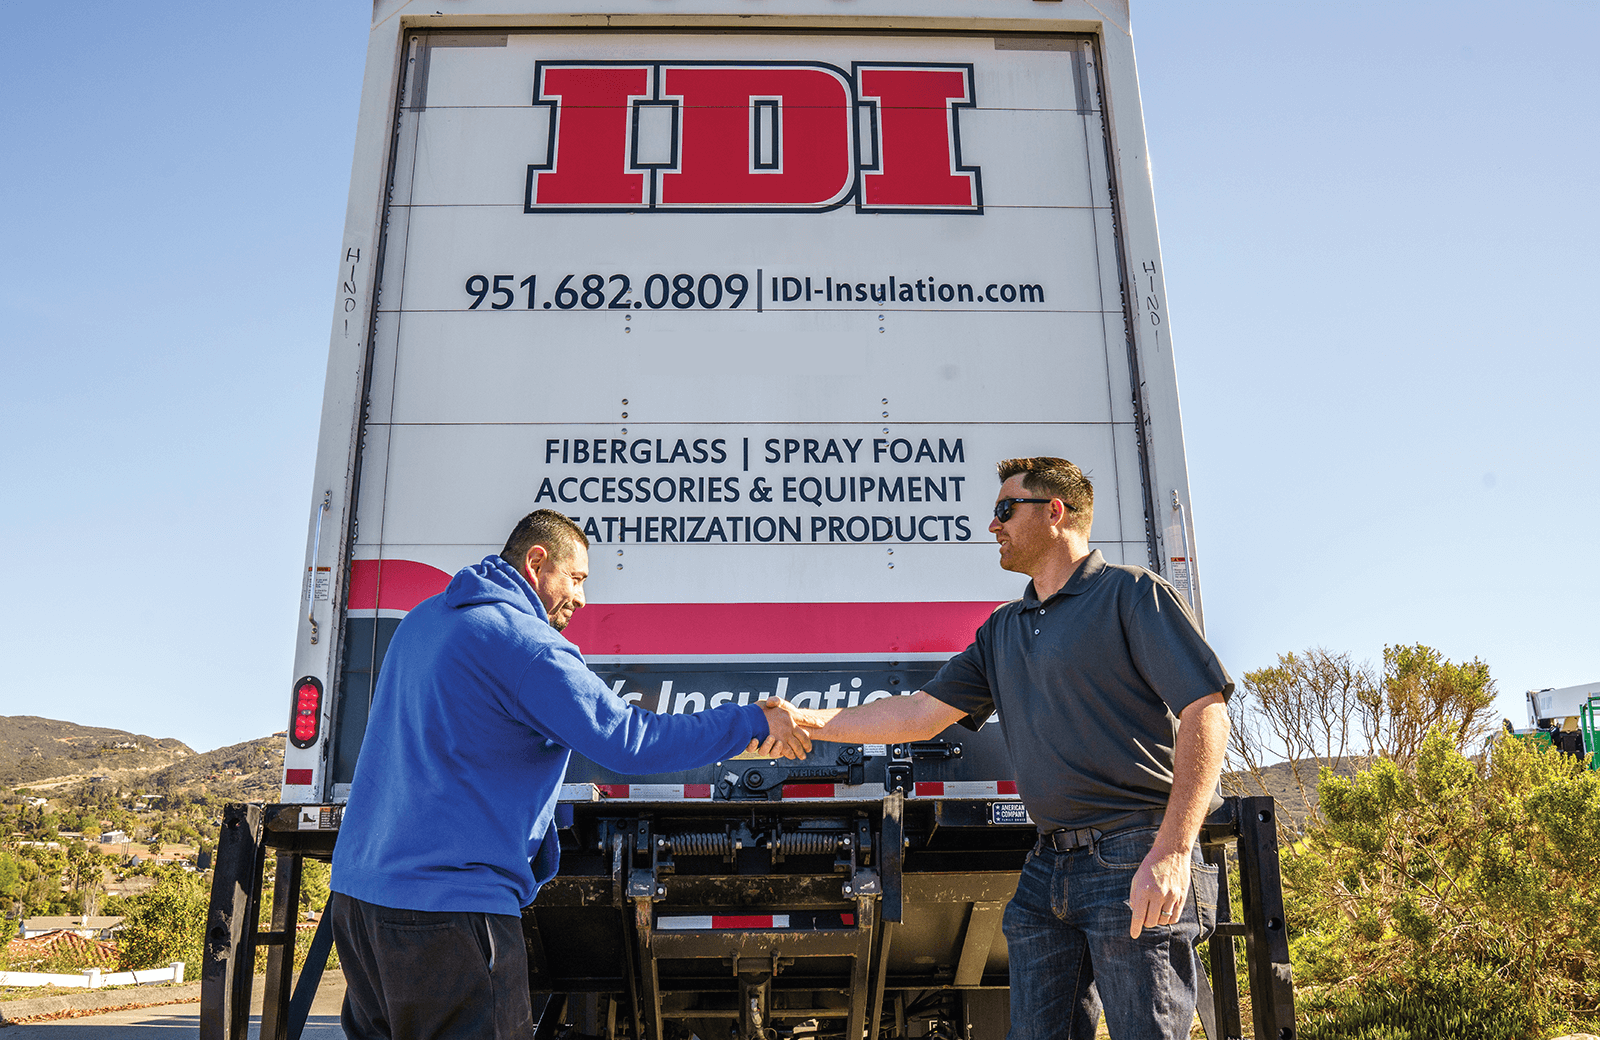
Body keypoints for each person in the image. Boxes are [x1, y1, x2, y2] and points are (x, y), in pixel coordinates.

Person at [770, 457, 1232, 1040]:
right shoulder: (1003, 629)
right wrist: (803, 720)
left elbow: (1206, 708)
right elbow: (917, 714)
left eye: (1005, 510)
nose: (993, 526)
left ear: (1055, 512)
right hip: (1047, 869)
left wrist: (1171, 852)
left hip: (1133, 853)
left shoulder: (1131, 594)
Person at [328, 509, 811, 1040]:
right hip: (448, 914)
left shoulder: (423, 620)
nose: (581, 598)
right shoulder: (525, 645)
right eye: (576, 578)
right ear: (537, 562)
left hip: (359, 906)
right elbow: (630, 740)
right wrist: (750, 720)